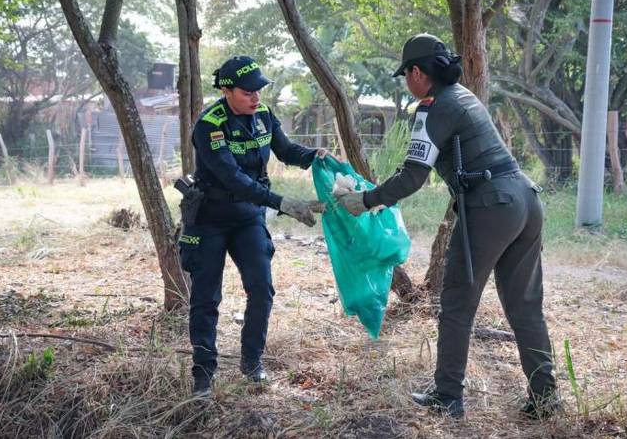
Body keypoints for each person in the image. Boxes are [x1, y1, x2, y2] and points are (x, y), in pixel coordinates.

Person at [336, 34, 559, 419]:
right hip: (525, 198)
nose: (406, 81)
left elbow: (412, 177)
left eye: (406, 74)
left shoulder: (433, 106)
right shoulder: (465, 96)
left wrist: (365, 201)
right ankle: (545, 397)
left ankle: (448, 396)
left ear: (418, 73)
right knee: (525, 306)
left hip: (491, 204)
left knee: (456, 303)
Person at [179, 56, 331, 397]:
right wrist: (282, 203)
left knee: (262, 289)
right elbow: (232, 179)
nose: (256, 97)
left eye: (259, 90)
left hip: (249, 217)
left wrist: (315, 156)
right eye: (248, 92)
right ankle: (203, 376)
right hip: (210, 219)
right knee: (205, 298)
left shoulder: (263, 116)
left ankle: (252, 363)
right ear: (227, 90)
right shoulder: (209, 124)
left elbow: (287, 150)